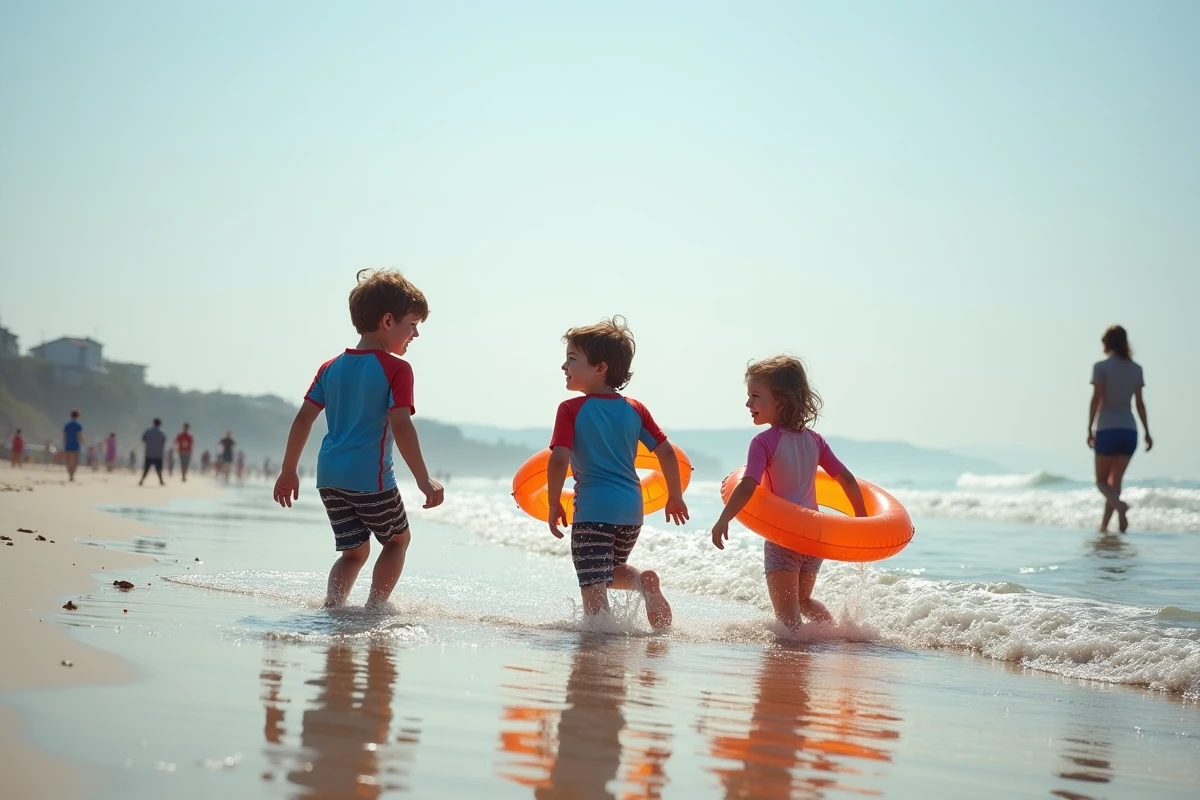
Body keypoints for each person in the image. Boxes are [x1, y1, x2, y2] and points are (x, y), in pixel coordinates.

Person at [272, 268, 443, 609]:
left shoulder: (330, 367)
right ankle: (374, 608)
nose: (416, 334)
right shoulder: (396, 369)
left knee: (354, 552)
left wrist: (288, 470)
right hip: (371, 477)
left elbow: (304, 417)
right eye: (412, 325)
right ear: (388, 321)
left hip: (330, 478)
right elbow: (401, 425)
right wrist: (423, 478)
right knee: (397, 541)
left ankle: (333, 607)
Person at [545, 317, 688, 631]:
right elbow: (666, 451)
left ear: (600, 368)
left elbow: (558, 460)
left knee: (593, 588)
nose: (563, 366)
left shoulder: (570, 409)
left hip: (594, 510)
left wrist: (554, 502)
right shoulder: (635, 408)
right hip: (630, 512)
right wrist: (675, 496)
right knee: (609, 570)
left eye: (571, 359)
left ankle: (598, 647)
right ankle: (642, 582)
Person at [710, 356, 866, 631]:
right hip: (813, 541)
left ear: (780, 402)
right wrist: (862, 521)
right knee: (804, 601)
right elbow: (848, 480)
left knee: (788, 623)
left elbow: (748, 484)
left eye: (755, 396)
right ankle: (835, 634)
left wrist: (724, 518)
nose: (748, 404)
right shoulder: (815, 440)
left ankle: (796, 665)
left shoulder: (763, 442)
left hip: (784, 539)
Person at [1088, 325, 1152, 533]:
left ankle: (1121, 508)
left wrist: (1089, 428)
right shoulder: (1136, 369)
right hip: (1129, 431)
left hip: (1107, 428)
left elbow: (1097, 399)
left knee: (1101, 482)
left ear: (1106, 343)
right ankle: (1105, 526)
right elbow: (1140, 404)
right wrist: (1148, 432)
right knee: (1115, 482)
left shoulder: (1101, 367)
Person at [140, 418, 167, 486]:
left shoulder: (148, 431)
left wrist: (148, 444)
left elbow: (143, 439)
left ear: (153, 423)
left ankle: (142, 480)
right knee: (159, 469)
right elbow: (164, 441)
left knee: (146, 469)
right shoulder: (162, 432)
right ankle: (161, 481)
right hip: (158, 454)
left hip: (149, 453)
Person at [63, 410, 83, 481]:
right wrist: (83, 442)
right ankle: (72, 474)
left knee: (68, 461)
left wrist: (64, 444)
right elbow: (79, 436)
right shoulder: (78, 425)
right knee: (76, 461)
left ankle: (70, 474)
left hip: (68, 445)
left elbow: (64, 436)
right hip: (75, 446)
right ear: (77, 416)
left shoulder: (67, 425)